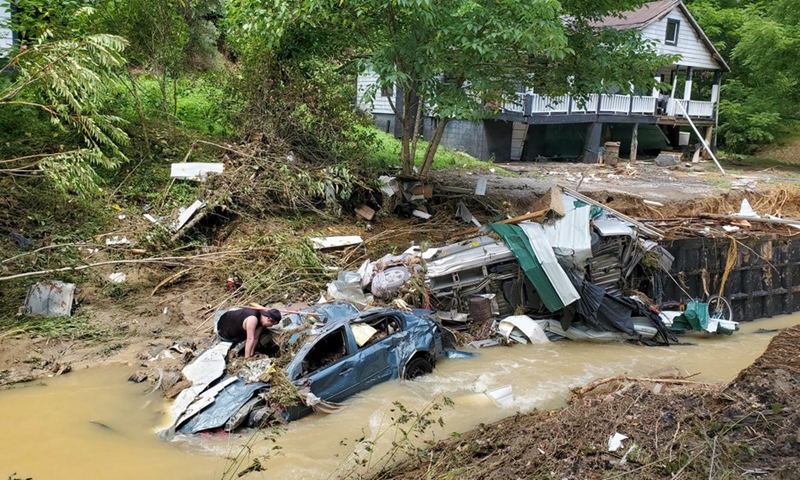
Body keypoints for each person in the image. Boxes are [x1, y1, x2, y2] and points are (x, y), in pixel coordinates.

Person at [216, 307, 282, 358]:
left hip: (228, 319)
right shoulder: (253, 319)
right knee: (248, 336)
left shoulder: (261, 318)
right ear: (269, 319)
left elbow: (255, 338)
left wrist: (251, 354)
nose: (271, 326)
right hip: (224, 332)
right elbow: (250, 339)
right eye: (271, 324)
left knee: (256, 334)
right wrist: (247, 358)